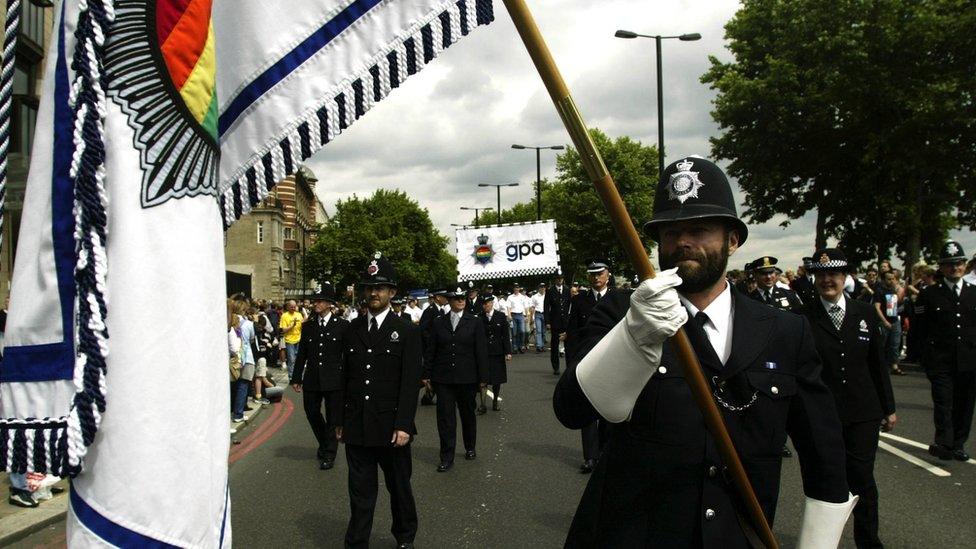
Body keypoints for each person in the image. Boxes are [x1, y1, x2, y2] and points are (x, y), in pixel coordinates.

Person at [553, 157, 853, 547]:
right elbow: (571, 410)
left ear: (732, 240)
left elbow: (823, 450)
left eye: (699, 229)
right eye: (670, 232)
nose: (682, 242)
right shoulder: (620, 312)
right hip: (632, 535)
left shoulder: (785, 329)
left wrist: (817, 544)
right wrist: (633, 335)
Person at [805, 248, 897, 548]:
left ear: (845, 277)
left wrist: (889, 407)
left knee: (861, 478)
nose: (827, 280)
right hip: (822, 415)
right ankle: (822, 542)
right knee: (827, 481)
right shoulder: (802, 316)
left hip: (863, 412)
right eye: (820, 274)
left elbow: (877, 365)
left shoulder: (866, 312)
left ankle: (868, 541)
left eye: (833, 274)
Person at [335, 253, 421, 549]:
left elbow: (410, 383)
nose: (374, 293)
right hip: (357, 425)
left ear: (391, 292)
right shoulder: (351, 330)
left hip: (391, 428)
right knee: (360, 492)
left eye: (380, 287)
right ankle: (356, 542)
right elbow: (343, 379)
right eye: (369, 287)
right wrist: (338, 421)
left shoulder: (407, 331)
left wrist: (404, 424)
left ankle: (405, 538)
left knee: (399, 489)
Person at [915, 240, 976, 462]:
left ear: (965, 265)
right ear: (941, 267)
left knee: (965, 404)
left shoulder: (973, 293)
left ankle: (958, 444)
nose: (955, 268)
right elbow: (919, 329)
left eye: (959, 263)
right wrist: (923, 358)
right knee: (943, 402)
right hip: (940, 360)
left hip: (969, 360)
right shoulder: (929, 294)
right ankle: (944, 442)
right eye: (949, 264)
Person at [422, 286, 488, 472]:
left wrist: (483, 378)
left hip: (467, 378)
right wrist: (426, 374)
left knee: (467, 415)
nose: (460, 301)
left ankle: (470, 446)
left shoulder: (474, 322)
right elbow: (431, 350)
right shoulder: (438, 322)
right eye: (456, 298)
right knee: (445, 419)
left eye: (463, 298)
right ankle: (446, 456)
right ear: (449, 301)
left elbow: (481, 352)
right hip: (443, 379)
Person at [563, 259, 616, 474]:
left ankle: (606, 452)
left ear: (607, 275)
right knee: (588, 411)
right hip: (588, 362)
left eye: (600, 273)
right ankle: (590, 457)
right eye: (592, 274)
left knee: (610, 412)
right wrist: (572, 365)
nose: (596, 277)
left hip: (613, 362)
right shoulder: (579, 301)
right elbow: (572, 333)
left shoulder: (617, 299)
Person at [291, 284, 350, 470]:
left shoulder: (343, 326)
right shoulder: (307, 326)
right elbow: (302, 354)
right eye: (314, 300)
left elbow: (348, 356)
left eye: (319, 300)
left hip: (334, 379)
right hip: (312, 378)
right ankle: (325, 442)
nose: (315, 304)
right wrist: (296, 377)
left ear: (330, 304)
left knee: (334, 418)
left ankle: (329, 453)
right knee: (311, 413)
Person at [480, 295, 512, 412]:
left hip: (497, 352)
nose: (485, 306)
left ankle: (494, 402)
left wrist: (508, 351)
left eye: (487, 304)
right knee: (483, 378)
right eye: (483, 304)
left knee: (497, 379)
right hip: (484, 352)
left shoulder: (500, 316)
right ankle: (483, 404)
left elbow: (505, 335)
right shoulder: (480, 317)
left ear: (492, 303)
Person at [873, 270, 906, 376]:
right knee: (882, 344)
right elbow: (877, 307)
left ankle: (894, 366)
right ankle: (881, 366)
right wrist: (884, 321)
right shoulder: (879, 291)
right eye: (889, 279)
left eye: (893, 279)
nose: (891, 281)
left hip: (894, 320)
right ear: (884, 280)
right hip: (884, 321)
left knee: (895, 344)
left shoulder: (893, 290)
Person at [547, 275, 572, 374]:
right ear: (555, 279)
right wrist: (548, 322)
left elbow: (570, 305)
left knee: (568, 345)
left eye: (561, 278)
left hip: (566, 322)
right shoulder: (550, 290)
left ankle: (569, 367)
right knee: (554, 345)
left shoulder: (567, 290)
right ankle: (556, 367)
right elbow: (546, 307)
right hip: (555, 322)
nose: (560, 280)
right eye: (558, 278)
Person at [279, 300, 305, 378]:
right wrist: (292, 326)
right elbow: (283, 330)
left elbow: (303, 324)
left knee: (298, 359)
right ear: (288, 307)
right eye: (292, 307)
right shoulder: (284, 315)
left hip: (299, 339)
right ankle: (291, 376)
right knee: (291, 359)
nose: (293, 308)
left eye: (294, 307)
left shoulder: (299, 314)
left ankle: (297, 375)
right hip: (289, 340)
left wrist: (305, 317)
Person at [508, 284, 529, 353]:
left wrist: (526, 316)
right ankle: (515, 347)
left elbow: (526, 307)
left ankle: (521, 346)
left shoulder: (522, 297)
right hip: (513, 315)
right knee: (514, 333)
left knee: (522, 331)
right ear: (513, 289)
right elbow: (508, 307)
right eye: (515, 288)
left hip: (521, 315)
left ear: (519, 289)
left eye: (517, 288)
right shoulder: (510, 297)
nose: (516, 289)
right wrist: (509, 315)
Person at [532, 283, 548, 353]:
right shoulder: (534, 296)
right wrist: (532, 317)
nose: (542, 288)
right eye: (541, 287)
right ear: (539, 288)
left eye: (544, 287)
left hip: (545, 314)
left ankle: (543, 345)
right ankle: (539, 346)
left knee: (543, 331)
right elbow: (533, 307)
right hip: (538, 314)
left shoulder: (547, 295)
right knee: (539, 330)